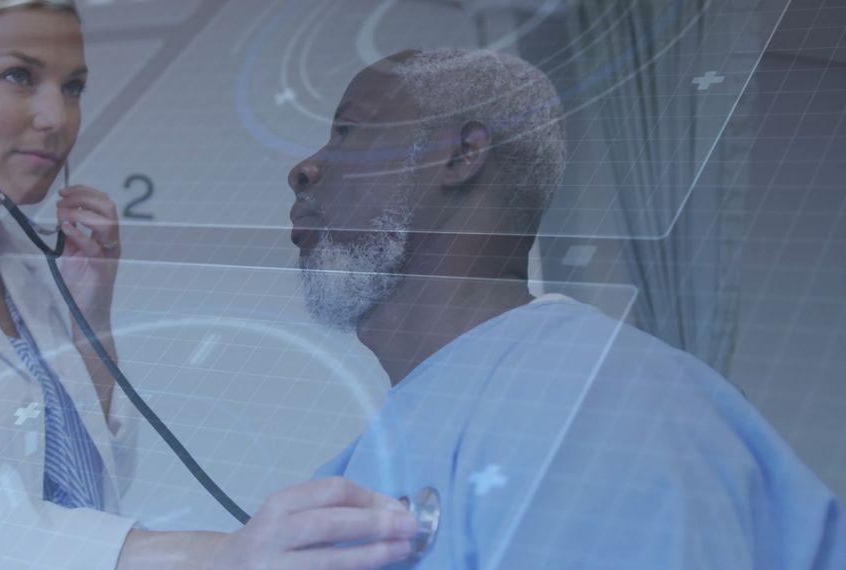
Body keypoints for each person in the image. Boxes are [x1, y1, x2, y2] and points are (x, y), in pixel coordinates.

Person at [0, 2, 418, 568]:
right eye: (19, 76)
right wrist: (219, 556)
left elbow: (89, 490)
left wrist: (89, 325)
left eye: (72, 86)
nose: (57, 117)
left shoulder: (28, 263)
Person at [287, 48, 845, 568]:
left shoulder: (597, 400)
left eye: (348, 131)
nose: (304, 169)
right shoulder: (372, 457)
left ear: (461, 155)